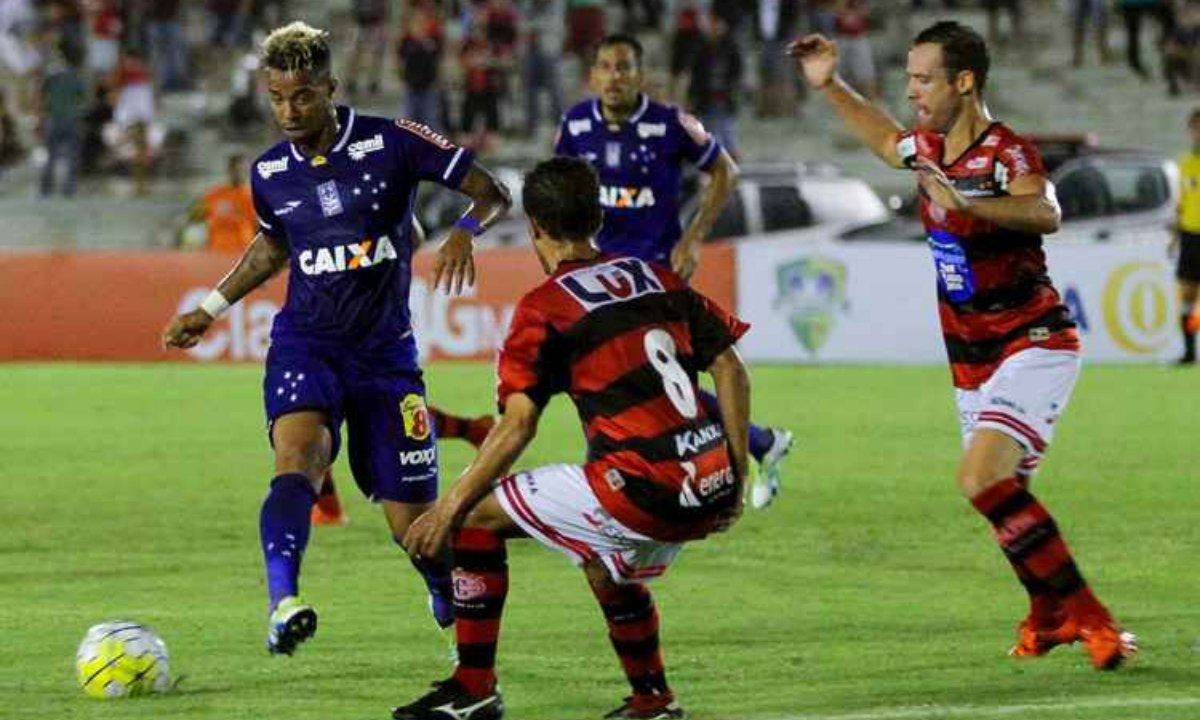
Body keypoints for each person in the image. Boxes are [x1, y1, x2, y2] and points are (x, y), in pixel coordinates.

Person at [789, 20, 1136, 670]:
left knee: (981, 478)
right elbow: (884, 139)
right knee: (1003, 501)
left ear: (964, 80)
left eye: (923, 78)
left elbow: (1046, 212)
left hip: (1031, 339)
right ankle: (1047, 612)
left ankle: (1095, 621)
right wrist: (829, 84)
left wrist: (973, 205)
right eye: (911, 78)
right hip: (971, 357)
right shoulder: (926, 147)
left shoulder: (1006, 154)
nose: (912, 90)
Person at [161, 21, 512, 655]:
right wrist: (211, 306)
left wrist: (463, 228)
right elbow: (272, 248)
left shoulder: (394, 141)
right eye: (277, 98)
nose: (288, 111)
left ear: (331, 88)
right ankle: (283, 602)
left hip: (385, 357)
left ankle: (440, 580)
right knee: (297, 460)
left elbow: (492, 192)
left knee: (415, 527)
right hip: (306, 344)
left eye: (302, 96)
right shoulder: (269, 171)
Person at [392, 156, 751, 720]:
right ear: (600, 217)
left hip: (641, 491)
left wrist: (447, 509)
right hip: (709, 484)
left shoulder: (543, 309)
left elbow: (518, 424)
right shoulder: (656, 277)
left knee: (476, 518)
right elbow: (730, 367)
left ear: (534, 226)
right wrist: (736, 471)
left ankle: (473, 687)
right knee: (601, 556)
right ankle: (653, 700)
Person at [555, 33, 793, 508]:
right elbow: (559, 184)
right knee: (648, 380)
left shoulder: (671, 124)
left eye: (623, 67)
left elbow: (726, 170)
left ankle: (608, 476)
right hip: (599, 275)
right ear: (593, 75)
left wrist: (694, 236)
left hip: (655, 273)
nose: (614, 77)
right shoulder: (577, 123)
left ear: (642, 75)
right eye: (605, 67)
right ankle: (761, 441)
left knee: (620, 376)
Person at [1171, 107, 1200, 365]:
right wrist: (1175, 237)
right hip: (1191, 237)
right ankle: (1190, 352)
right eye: (1195, 128)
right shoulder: (1185, 164)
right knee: (1188, 297)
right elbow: (1182, 203)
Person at [184, 153, 257, 253]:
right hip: (216, 252)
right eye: (237, 169)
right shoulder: (215, 195)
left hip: (241, 253)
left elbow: (259, 227)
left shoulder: (253, 197)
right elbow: (193, 216)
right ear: (230, 170)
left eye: (243, 170)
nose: (240, 173)